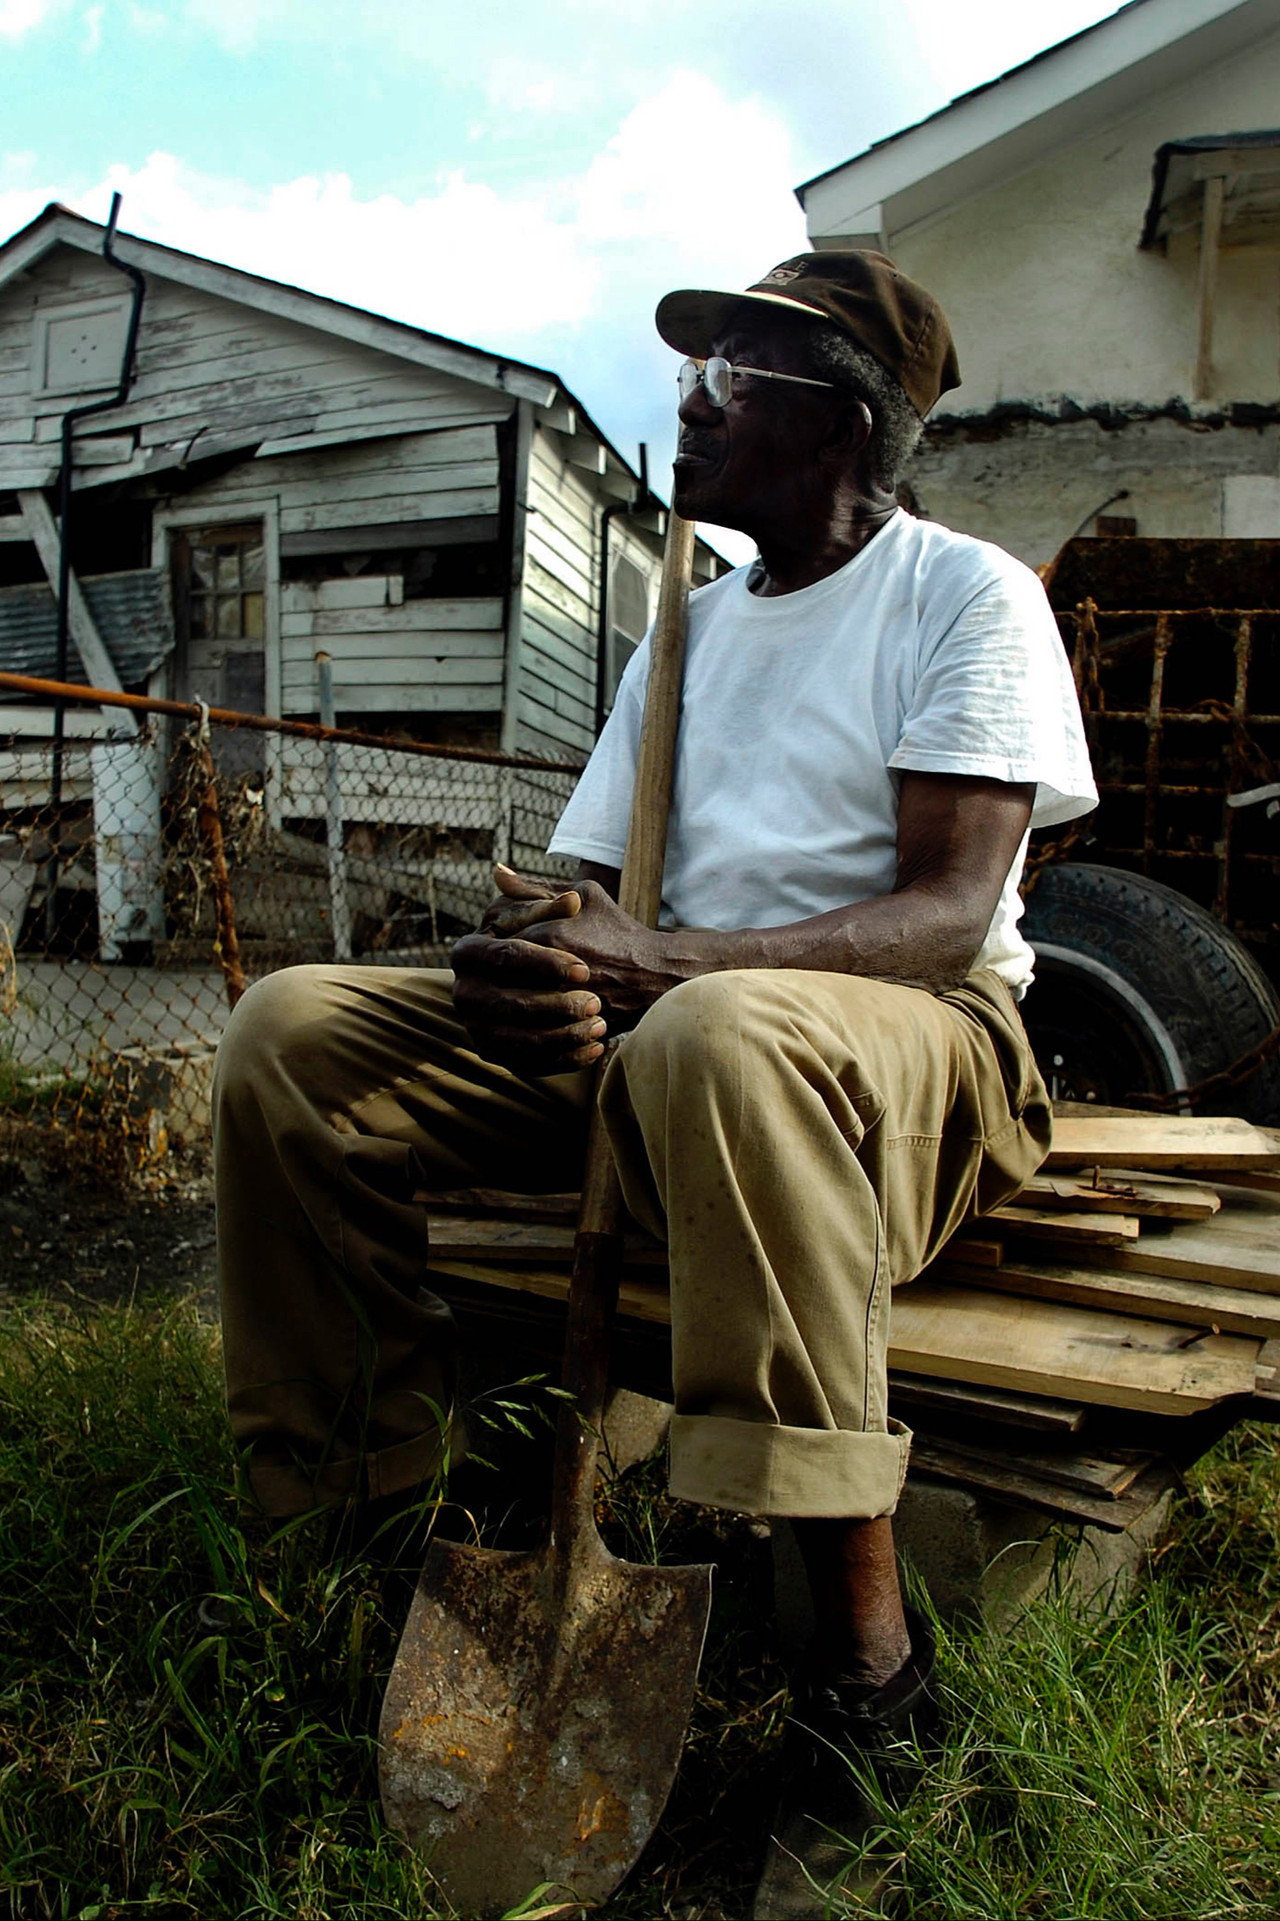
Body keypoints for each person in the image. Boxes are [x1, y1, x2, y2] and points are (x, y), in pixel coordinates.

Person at [213, 251, 1096, 1916]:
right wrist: (540, 962)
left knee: (714, 1030)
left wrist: (653, 971)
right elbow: (587, 903)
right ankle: (366, 1525)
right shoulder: (681, 633)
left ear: (840, 419)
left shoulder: (962, 596)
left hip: (907, 1049)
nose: (684, 403)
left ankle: (861, 1673)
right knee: (292, 1032)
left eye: (728, 376)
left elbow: (943, 916)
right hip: (671, 1037)